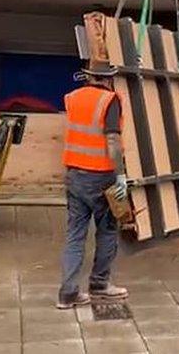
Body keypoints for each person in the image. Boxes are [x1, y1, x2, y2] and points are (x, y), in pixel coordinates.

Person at [57, 60, 129, 309]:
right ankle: (99, 284)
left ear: (89, 77)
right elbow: (112, 140)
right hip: (102, 177)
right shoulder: (110, 100)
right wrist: (120, 175)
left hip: (75, 175)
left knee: (75, 235)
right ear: (108, 78)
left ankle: (68, 294)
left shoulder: (73, 97)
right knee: (108, 230)